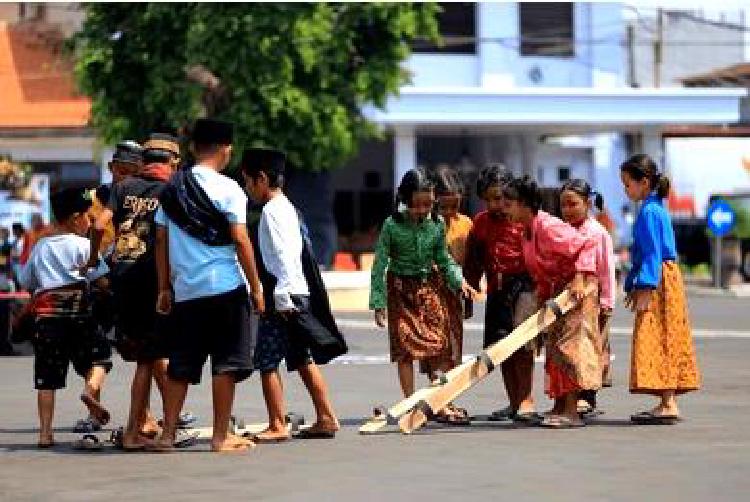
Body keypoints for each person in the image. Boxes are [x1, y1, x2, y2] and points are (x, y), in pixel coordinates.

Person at [152, 118, 264, 453]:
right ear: (226, 149)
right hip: (226, 288)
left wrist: (164, 288)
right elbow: (241, 240)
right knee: (226, 363)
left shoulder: (173, 188)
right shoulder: (229, 189)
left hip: (186, 291)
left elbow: (160, 240)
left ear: (193, 148)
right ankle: (219, 437)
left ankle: (167, 435)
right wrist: (256, 287)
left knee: (181, 365)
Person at [242, 147, 345, 442]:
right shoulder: (287, 207)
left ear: (261, 179)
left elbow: (284, 257)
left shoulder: (272, 213)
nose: (248, 189)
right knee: (301, 357)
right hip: (296, 292)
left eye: (248, 182)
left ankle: (277, 423)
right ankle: (326, 416)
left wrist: (282, 298)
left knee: (266, 360)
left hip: (283, 295)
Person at [89, 133, 181, 450]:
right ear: (170, 162)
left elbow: (99, 226)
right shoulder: (171, 189)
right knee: (161, 357)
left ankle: (136, 430)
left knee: (146, 358)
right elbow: (166, 239)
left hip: (123, 279)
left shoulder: (122, 187)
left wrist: (92, 261)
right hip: (156, 282)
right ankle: (166, 428)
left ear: (144, 162)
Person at [370, 168, 478, 407]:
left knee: (439, 341)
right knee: (404, 349)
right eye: (416, 205)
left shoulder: (436, 225)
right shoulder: (391, 226)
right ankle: (408, 403)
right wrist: (378, 303)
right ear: (404, 200)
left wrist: (460, 282)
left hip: (429, 289)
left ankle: (435, 399)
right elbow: (379, 265)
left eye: (427, 205)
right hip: (399, 290)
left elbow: (444, 260)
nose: (422, 211)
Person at [502, 175, 600, 429]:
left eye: (509, 204)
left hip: (576, 292)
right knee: (554, 352)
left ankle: (572, 412)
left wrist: (579, 278)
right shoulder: (526, 231)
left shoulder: (548, 226)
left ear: (524, 204)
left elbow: (586, 245)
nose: (505, 210)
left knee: (569, 350)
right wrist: (542, 297)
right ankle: (559, 405)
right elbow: (540, 269)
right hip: (555, 296)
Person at [18, 188, 112, 448]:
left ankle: (45, 433)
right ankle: (89, 391)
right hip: (80, 315)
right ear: (74, 219)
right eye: (87, 217)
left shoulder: (41, 246)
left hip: (47, 319)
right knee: (99, 359)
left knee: (46, 379)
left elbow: (27, 282)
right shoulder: (84, 245)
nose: (90, 222)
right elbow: (102, 281)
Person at [620, 154, 700, 424]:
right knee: (663, 335)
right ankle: (667, 400)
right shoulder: (652, 208)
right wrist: (633, 280)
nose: (626, 190)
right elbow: (643, 253)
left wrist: (645, 285)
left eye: (628, 184)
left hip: (660, 280)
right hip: (662, 277)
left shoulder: (651, 212)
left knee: (659, 335)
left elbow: (653, 253)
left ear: (644, 183)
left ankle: (668, 402)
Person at [464, 164, 538, 423]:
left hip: (525, 289)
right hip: (496, 289)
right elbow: (473, 262)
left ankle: (527, 400)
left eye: (499, 198)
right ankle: (514, 402)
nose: (494, 205)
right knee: (502, 349)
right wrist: (469, 294)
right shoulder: (481, 223)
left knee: (523, 347)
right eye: (488, 199)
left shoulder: (523, 219)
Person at [559, 179, 616, 416]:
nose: (568, 210)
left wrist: (607, 302)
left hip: (593, 299)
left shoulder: (597, 233)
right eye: (563, 205)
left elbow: (606, 270)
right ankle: (571, 392)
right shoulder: (564, 230)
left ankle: (588, 396)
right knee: (572, 348)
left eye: (573, 204)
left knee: (591, 348)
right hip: (570, 298)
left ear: (588, 203)